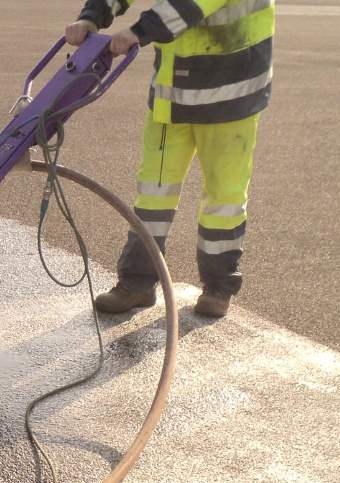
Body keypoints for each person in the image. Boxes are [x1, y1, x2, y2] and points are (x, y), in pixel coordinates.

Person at [66, 0, 275, 317]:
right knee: (154, 192)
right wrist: (92, 16)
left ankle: (219, 286)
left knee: (224, 198)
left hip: (231, 94)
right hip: (173, 94)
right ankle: (136, 283)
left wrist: (139, 31)